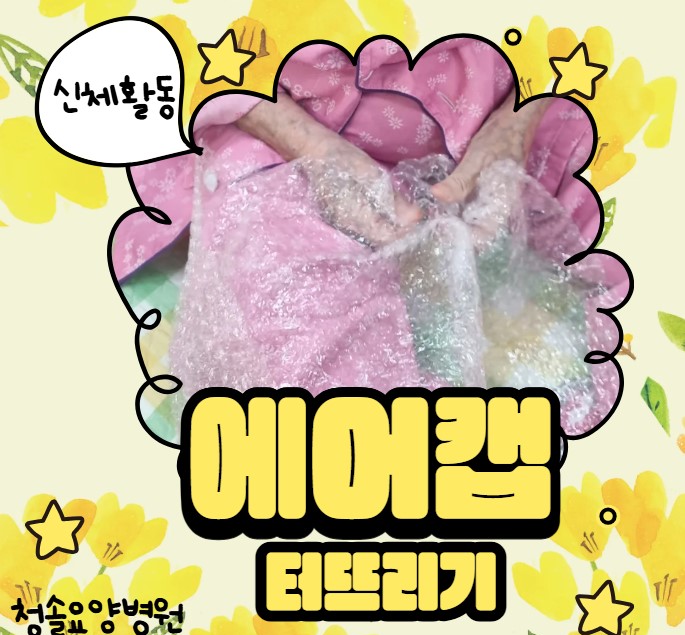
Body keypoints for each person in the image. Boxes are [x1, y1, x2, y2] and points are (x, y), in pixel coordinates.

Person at [112, 36, 627, 435]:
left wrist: (516, 123)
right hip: (281, 119)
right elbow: (187, 36)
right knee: (305, 400)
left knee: (577, 372)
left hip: (505, 111)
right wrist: (311, 148)